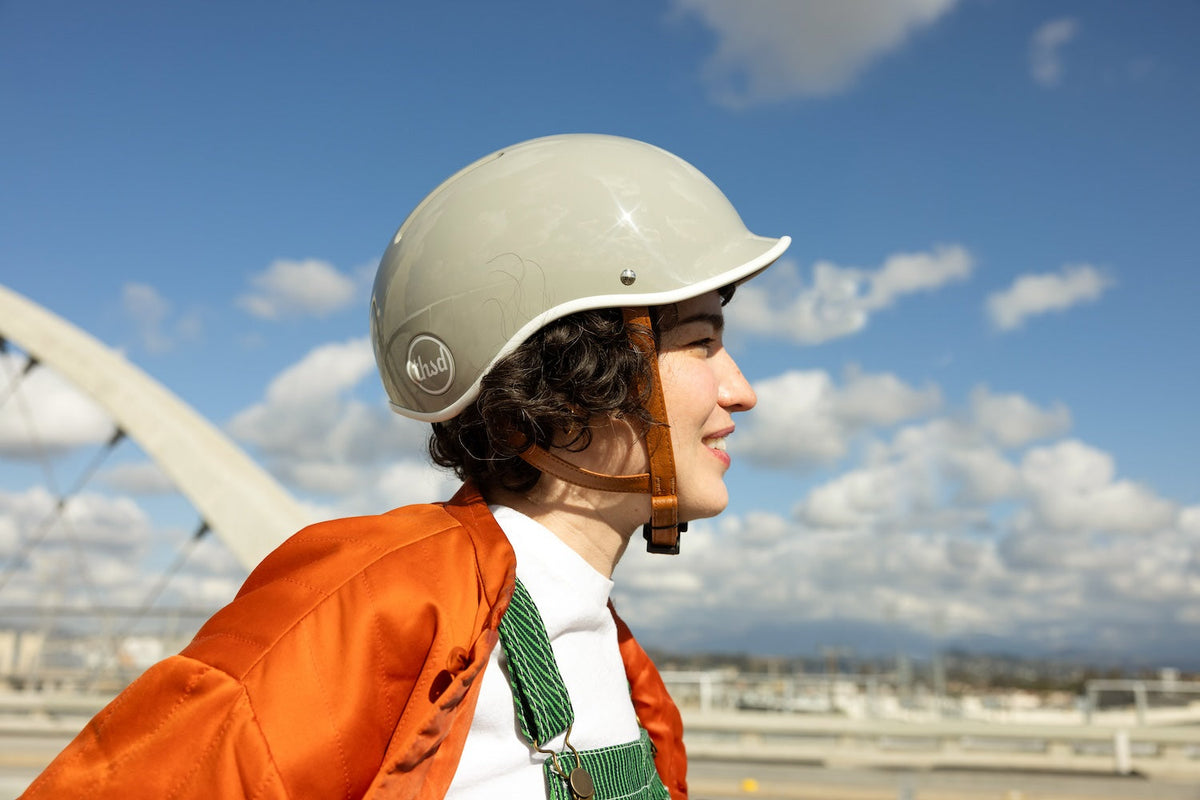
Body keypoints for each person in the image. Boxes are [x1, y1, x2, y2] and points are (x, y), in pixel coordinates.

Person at [21, 134, 789, 799]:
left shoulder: (617, 662)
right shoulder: (378, 607)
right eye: (701, 342)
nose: (741, 390)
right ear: (575, 362)